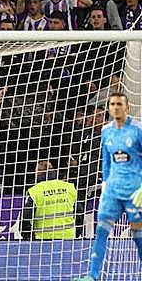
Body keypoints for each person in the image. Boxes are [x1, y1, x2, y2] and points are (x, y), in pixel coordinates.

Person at [75, 91, 142, 281]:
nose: (115, 108)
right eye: (112, 104)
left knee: (138, 234)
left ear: (126, 107)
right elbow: (106, 162)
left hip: (133, 190)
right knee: (101, 230)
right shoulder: (106, 131)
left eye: (119, 104)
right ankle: (93, 276)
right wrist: (105, 186)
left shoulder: (137, 131)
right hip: (112, 190)